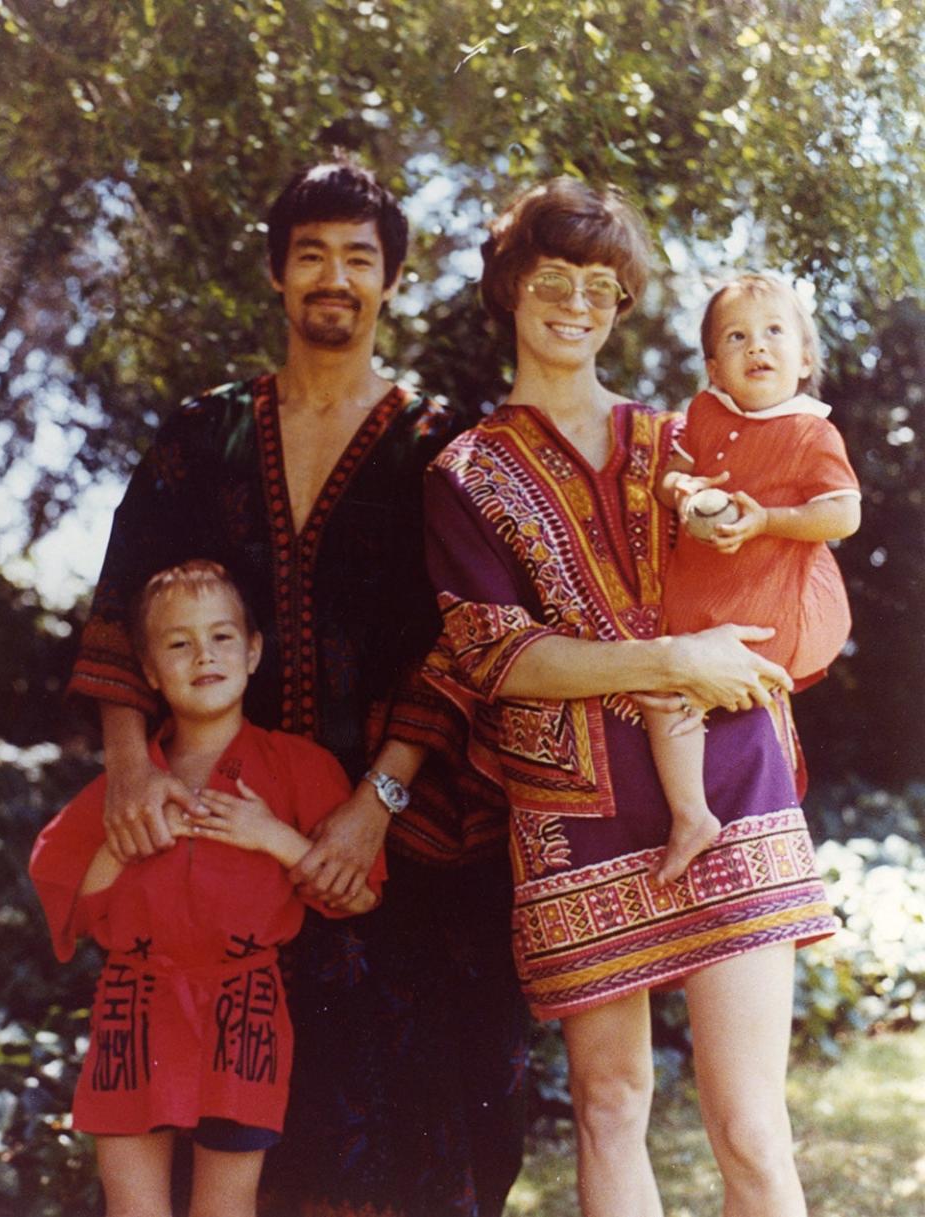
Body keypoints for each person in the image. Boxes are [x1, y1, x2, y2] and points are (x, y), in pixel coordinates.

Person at [67, 158, 527, 1217]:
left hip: (395, 843)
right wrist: (132, 768)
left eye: (358, 258)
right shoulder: (204, 433)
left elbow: (461, 642)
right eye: (310, 254)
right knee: (240, 1132)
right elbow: (120, 598)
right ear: (276, 275)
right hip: (221, 834)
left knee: (423, 1112)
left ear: (391, 281)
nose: (334, 277)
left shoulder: (437, 446)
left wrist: (378, 804)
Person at [423, 176, 838, 1217]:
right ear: (511, 286)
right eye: (555, 277)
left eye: (603, 287)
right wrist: (674, 662)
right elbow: (497, 655)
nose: (577, 302)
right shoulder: (465, 471)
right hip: (575, 814)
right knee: (612, 1104)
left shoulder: (683, 442)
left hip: (734, 778)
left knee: (750, 1124)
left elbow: (799, 553)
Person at [31, 560, 383, 1217]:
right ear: (148, 669)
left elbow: (356, 895)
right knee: (135, 1208)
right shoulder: (129, 786)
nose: (203, 655)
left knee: (225, 1206)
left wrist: (271, 834)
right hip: (134, 1005)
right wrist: (126, 829)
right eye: (178, 642)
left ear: (252, 652)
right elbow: (72, 904)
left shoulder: (298, 767)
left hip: (242, 1007)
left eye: (221, 637)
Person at [643, 272, 861, 883]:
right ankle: (693, 815)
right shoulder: (706, 411)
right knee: (665, 687)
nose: (756, 347)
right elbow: (672, 473)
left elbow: (844, 511)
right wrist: (682, 492)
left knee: (682, 691)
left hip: (769, 602)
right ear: (714, 368)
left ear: (805, 358)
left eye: (773, 332)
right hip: (704, 598)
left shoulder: (811, 430)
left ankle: (703, 814)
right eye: (736, 337)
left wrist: (767, 519)